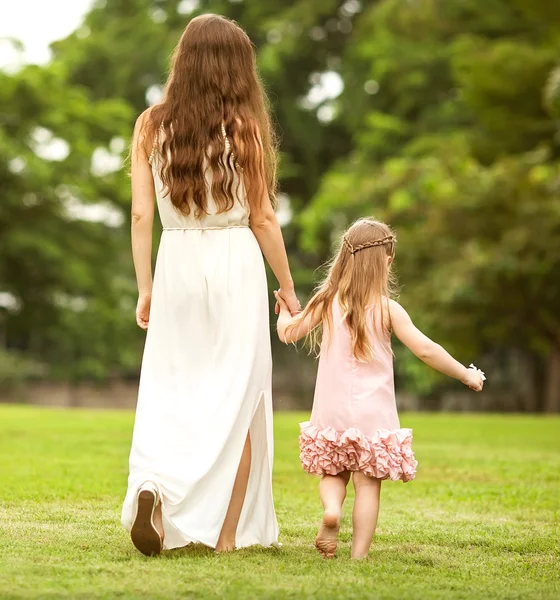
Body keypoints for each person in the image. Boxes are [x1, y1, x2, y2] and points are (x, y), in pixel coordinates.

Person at [121, 14, 301, 556]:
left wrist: (145, 286)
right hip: (234, 264)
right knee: (239, 398)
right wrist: (289, 290)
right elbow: (264, 219)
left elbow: (138, 216)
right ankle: (225, 538)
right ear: (236, 69)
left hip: (176, 262)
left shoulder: (150, 125)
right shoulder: (244, 128)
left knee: (172, 390)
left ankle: (155, 485)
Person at [274, 218, 485, 559]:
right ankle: (358, 556)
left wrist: (284, 312)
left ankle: (331, 510)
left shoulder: (327, 301)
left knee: (333, 471)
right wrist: (465, 374)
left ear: (344, 259)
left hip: (331, 409)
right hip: (373, 413)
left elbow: (289, 333)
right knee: (368, 484)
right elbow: (426, 350)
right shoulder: (389, 309)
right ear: (387, 262)